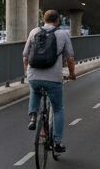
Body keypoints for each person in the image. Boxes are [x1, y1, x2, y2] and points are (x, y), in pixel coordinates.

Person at [24, 9, 77, 154]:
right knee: (58, 109)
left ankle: (33, 117)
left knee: (35, 91)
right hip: (53, 79)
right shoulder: (63, 34)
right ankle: (57, 142)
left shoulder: (34, 32)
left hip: (34, 76)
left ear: (43, 19)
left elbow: (25, 56)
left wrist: (27, 74)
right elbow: (70, 59)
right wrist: (72, 74)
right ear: (58, 20)